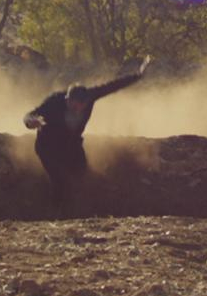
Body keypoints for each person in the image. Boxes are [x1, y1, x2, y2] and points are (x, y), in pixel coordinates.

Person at [23, 57, 150, 210]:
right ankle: (57, 214)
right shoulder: (54, 102)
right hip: (47, 148)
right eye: (73, 105)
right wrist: (33, 121)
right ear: (67, 99)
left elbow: (113, 86)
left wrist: (138, 75)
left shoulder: (90, 96)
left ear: (86, 102)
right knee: (59, 181)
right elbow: (29, 115)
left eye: (80, 106)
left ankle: (82, 209)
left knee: (82, 173)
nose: (77, 109)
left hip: (71, 146)